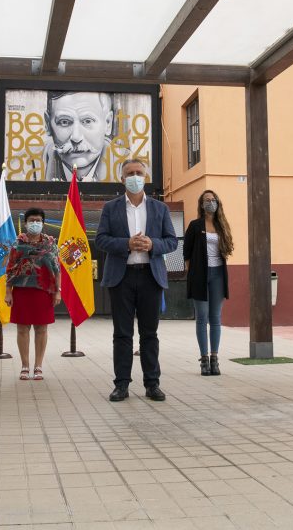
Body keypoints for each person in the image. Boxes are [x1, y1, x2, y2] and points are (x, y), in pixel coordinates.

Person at [95, 159, 177, 402]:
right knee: (122, 334)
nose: (134, 176)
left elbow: (172, 241)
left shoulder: (159, 209)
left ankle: (152, 383)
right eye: (130, 173)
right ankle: (121, 384)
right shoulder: (110, 208)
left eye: (139, 173)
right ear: (122, 179)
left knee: (149, 334)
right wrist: (126, 244)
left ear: (146, 177)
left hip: (150, 277)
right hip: (122, 278)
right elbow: (101, 239)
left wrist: (153, 244)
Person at [4, 208, 61, 381]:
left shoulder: (51, 243)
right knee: (22, 329)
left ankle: (38, 366)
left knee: (41, 329)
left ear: (43, 223)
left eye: (38, 220)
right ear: (26, 222)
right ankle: (24, 365)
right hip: (21, 290)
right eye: (31, 220)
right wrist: (8, 292)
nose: (34, 223)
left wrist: (57, 291)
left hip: (44, 291)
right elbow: (10, 269)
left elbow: (57, 269)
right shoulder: (17, 243)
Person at [183, 190, 233, 376]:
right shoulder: (195, 225)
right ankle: (203, 360)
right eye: (207, 200)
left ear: (218, 203)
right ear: (201, 204)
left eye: (213, 200)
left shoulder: (222, 226)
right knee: (202, 318)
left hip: (218, 274)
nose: (211, 203)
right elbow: (186, 253)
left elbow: (227, 248)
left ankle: (214, 359)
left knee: (216, 318)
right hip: (199, 275)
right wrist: (193, 272)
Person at [43, 91, 116, 182]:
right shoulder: (25, 165)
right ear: (48, 124)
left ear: (108, 123)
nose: (76, 138)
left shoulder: (129, 166)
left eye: (87, 121)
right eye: (64, 122)